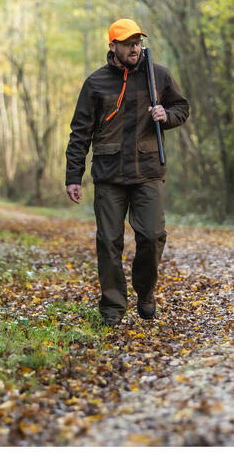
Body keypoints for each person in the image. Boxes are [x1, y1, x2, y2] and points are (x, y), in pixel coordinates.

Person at [65, 18, 190, 325]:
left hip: (148, 171)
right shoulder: (95, 83)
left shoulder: (157, 75)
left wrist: (166, 114)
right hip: (109, 175)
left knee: (152, 236)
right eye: (127, 43)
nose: (134, 48)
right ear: (113, 47)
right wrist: (73, 176)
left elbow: (182, 108)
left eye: (137, 43)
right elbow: (80, 132)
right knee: (108, 242)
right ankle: (112, 307)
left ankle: (145, 293)